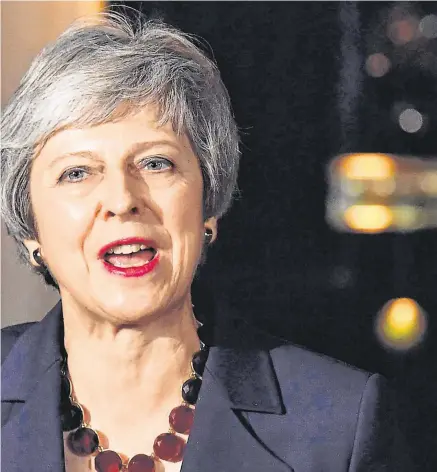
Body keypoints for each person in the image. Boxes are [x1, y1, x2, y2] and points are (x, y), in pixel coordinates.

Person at [1, 11, 413, 472]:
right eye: (76, 172)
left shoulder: (341, 426)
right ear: (30, 225)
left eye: (156, 163)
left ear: (208, 206)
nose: (121, 199)